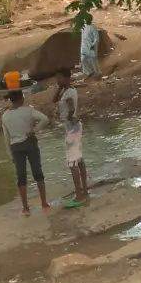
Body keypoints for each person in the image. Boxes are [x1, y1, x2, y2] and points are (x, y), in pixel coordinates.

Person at [1, 90, 50, 217]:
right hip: (29, 143)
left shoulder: (5, 116)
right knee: (37, 172)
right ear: (21, 98)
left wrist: (10, 155)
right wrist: (34, 130)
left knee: (21, 177)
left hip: (16, 147)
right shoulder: (28, 111)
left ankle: (25, 209)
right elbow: (45, 119)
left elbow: (6, 137)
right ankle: (44, 204)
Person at [54, 68, 89, 206]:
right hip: (74, 126)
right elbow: (54, 100)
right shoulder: (68, 90)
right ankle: (84, 190)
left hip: (72, 127)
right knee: (79, 159)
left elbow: (71, 108)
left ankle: (79, 195)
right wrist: (59, 88)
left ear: (67, 78)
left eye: (60, 78)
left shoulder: (68, 92)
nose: (58, 81)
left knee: (72, 162)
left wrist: (69, 118)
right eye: (57, 78)